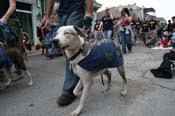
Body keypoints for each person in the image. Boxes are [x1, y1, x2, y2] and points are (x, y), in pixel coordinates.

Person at [40, 0, 93, 106]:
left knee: (71, 47)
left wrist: (89, 12)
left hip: (77, 7)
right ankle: (82, 73)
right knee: (65, 48)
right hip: (62, 10)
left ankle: (70, 90)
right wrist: (47, 16)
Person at [0, 0, 23, 81]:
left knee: (12, 47)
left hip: (10, 20)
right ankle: (2, 73)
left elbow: (12, 5)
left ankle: (18, 70)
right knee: (2, 48)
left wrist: (4, 18)